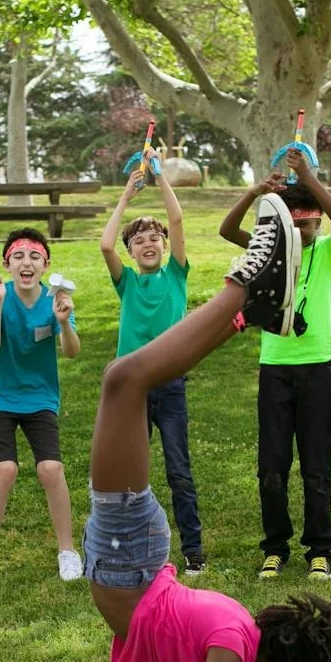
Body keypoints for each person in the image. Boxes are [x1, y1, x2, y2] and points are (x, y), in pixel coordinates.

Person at [86, 193, 331, 662]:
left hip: (140, 558)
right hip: (129, 555)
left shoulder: (237, 631)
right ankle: (246, 285)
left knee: (130, 379)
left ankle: (248, 309)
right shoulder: (233, 648)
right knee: (124, 380)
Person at [220, 149, 331, 582]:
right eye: (295, 225)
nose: (304, 230)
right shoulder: (274, 253)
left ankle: (320, 550)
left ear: (318, 222)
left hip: (318, 370)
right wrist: (256, 193)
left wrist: (308, 177)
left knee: (316, 467)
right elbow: (227, 230)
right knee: (271, 468)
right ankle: (274, 548)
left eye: (310, 223)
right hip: (274, 369)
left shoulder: (330, 253)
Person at [99, 163, 208, 575]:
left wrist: (160, 178)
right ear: (132, 252)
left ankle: (193, 549)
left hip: (171, 386)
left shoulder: (176, 276)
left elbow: (177, 218)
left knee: (179, 470)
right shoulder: (125, 282)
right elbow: (105, 246)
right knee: (129, 474)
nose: (148, 244)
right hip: (133, 391)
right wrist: (127, 194)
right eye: (139, 240)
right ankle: (128, 548)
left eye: (154, 238)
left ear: (164, 246)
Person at [0, 229, 84, 584]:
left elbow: (71, 352)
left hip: (39, 396)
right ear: (7, 263)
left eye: (35, 256)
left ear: (45, 265)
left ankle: (67, 551)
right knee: (4, 469)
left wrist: (64, 323)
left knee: (51, 468)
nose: (27, 262)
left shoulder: (56, 299)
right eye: (19, 256)